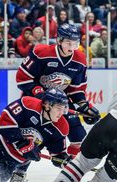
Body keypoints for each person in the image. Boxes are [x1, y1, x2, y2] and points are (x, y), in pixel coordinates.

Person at [16, 23, 101, 157]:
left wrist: (85, 106)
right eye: (68, 43)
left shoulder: (80, 59)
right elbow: (22, 79)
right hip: (36, 102)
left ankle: (72, 169)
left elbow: (76, 90)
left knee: (79, 137)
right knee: (32, 140)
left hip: (61, 102)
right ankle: (20, 170)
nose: (72, 47)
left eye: (75, 43)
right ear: (59, 40)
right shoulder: (41, 52)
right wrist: (40, 93)